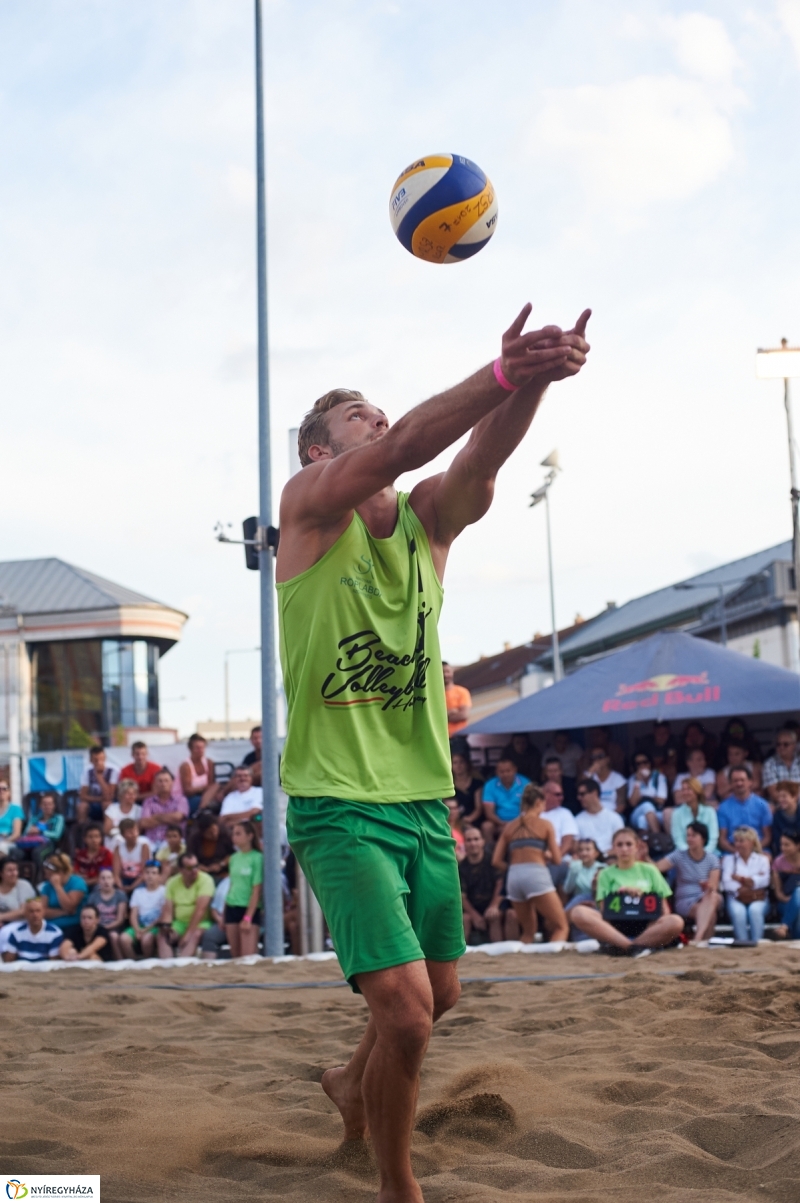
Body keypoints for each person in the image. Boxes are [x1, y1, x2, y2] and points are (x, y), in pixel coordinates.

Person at [277, 300, 590, 1199]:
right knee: (410, 1016)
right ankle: (398, 1186)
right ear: (319, 451)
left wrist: (527, 381)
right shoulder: (308, 511)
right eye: (355, 414)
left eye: (376, 407)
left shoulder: (426, 526)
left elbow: (479, 458)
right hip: (338, 805)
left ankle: (348, 1083)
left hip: (419, 802)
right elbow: (409, 440)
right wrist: (497, 373)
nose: (375, 417)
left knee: (439, 994)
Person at [569, 828, 683, 955]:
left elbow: (664, 908)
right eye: (620, 844)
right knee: (578, 912)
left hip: (647, 925)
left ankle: (630, 946)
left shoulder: (650, 870)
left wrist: (642, 897)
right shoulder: (605, 874)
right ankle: (630, 947)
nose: (624, 849)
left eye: (628, 844)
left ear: (637, 847)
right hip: (615, 926)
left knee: (676, 921)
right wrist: (621, 893)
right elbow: (603, 910)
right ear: (613, 848)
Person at [491, 784, 569, 944]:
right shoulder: (545, 824)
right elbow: (557, 860)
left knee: (528, 932)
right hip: (536, 873)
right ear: (539, 802)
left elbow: (496, 861)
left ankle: (522, 967)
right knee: (561, 926)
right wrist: (544, 854)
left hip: (513, 877)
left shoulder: (510, 826)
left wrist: (515, 868)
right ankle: (554, 965)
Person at [656, 821, 721, 944]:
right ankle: (704, 943)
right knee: (710, 914)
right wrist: (644, 857)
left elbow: (714, 886)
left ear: (703, 839)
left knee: (712, 897)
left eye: (693, 835)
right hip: (685, 901)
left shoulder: (713, 860)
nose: (689, 839)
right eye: (688, 835)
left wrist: (706, 886)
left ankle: (697, 940)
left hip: (706, 896)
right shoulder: (679, 855)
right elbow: (656, 868)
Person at [157, 852, 214, 958]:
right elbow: (168, 910)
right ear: (180, 869)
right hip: (179, 923)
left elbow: (200, 910)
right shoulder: (172, 882)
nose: (194, 870)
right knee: (163, 936)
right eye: (190, 868)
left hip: (201, 923)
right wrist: (166, 928)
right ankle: (167, 967)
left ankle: (182, 965)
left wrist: (188, 934)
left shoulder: (206, 880)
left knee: (194, 935)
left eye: (196, 866)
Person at [721, 826, 770, 943]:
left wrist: (740, 879)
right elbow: (726, 882)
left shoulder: (762, 859)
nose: (737, 844)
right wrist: (749, 883)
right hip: (735, 897)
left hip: (758, 897)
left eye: (741, 841)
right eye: (736, 841)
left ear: (751, 842)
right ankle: (743, 944)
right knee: (739, 912)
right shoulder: (728, 859)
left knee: (755, 910)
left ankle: (757, 943)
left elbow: (765, 880)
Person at [458, 827, 504, 944]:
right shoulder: (460, 867)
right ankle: (465, 954)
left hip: (491, 904)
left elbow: (501, 884)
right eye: (469, 840)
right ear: (465, 843)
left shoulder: (493, 861)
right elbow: (461, 896)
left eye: (476, 839)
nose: (473, 843)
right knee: (465, 918)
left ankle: (499, 955)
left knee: (496, 915)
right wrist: (475, 916)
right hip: (472, 908)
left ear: (483, 841)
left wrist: (494, 906)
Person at [225, 821, 263, 958]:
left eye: (238, 833)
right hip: (232, 906)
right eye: (234, 833)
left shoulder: (257, 858)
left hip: (248, 908)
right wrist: (225, 910)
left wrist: (248, 916)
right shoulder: (234, 858)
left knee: (248, 958)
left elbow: (256, 889)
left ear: (250, 836)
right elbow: (232, 885)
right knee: (235, 957)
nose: (234, 837)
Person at [717, 767, 772, 855]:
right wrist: (737, 851)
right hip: (733, 850)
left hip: (758, 849)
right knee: (724, 862)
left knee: (766, 859)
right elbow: (722, 840)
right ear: (730, 783)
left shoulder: (762, 805)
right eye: (735, 781)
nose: (739, 783)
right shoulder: (723, 807)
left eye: (742, 780)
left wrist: (753, 850)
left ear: (750, 782)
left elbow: (767, 837)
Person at [119, 861, 166, 959]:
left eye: (154, 873)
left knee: (146, 940)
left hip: (155, 926)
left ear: (159, 876)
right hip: (139, 926)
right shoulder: (138, 892)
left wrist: (146, 930)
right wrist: (137, 930)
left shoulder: (164, 891)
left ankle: (147, 962)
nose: (150, 876)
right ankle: (134, 963)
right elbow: (133, 914)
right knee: (123, 939)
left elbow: (162, 915)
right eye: (147, 873)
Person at [667, 777, 720, 857]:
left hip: (709, 853)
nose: (685, 792)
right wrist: (691, 855)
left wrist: (703, 854)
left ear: (697, 791)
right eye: (683, 790)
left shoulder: (709, 811)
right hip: (684, 855)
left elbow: (713, 838)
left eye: (688, 789)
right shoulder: (677, 813)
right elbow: (678, 840)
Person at [2, 897, 64, 963]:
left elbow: (54, 962)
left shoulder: (55, 933)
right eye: (31, 911)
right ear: (25, 913)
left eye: (38, 911)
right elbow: (8, 961)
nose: (35, 915)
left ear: (43, 912)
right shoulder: (16, 933)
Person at [38, 853, 88, 934]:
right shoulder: (47, 886)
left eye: (49, 874)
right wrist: (63, 912)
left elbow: (69, 907)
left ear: (60, 873)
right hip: (50, 927)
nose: (46, 877)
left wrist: (58, 887)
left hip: (73, 927)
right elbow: (42, 912)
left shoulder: (78, 882)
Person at [482, 758, 531, 841]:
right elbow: (489, 813)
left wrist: (514, 824)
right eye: (501, 771)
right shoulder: (490, 785)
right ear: (496, 772)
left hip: (521, 821)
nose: (505, 774)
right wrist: (502, 823)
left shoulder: (526, 783)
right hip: (498, 822)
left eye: (508, 771)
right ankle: (489, 852)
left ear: (515, 770)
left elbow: (529, 808)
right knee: (486, 826)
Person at [139, 769, 189, 848]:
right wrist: (169, 819)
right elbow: (144, 823)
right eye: (160, 781)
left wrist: (155, 817)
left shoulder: (181, 799)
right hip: (152, 841)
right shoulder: (148, 801)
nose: (163, 784)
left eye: (166, 781)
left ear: (172, 783)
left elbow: (177, 817)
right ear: (155, 783)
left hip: (173, 841)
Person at [541, 780, 578, 885]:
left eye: (562, 795)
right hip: (535, 858)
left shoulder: (565, 813)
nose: (561, 798)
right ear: (545, 794)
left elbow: (568, 842)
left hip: (558, 859)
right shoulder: (531, 813)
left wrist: (554, 858)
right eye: (557, 794)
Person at [15, 792, 65, 868]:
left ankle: (39, 876)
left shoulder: (58, 818)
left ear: (54, 805)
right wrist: (30, 831)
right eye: (44, 804)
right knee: (16, 852)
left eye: (49, 804)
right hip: (31, 843)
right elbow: (25, 833)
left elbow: (57, 835)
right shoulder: (34, 819)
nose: (47, 806)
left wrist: (40, 831)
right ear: (40, 806)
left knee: (37, 853)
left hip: (49, 845)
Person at [575, 779, 623, 854]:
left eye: (582, 794)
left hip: (611, 858)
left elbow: (621, 843)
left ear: (594, 793)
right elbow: (576, 846)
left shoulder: (614, 817)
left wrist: (605, 855)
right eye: (578, 795)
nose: (579, 798)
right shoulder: (577, 820)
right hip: (588, 860)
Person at [77, 746, 118, 825]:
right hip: (93, 803)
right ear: (90, 760)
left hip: (109, 803)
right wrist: (100, 799)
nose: (99, 762)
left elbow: (109, 796)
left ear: (105, 758)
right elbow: (82, 796)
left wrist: (99, 776)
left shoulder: (113, 770)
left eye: (101, 759)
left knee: (107, 805)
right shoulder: (87, 771)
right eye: (96, 760)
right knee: (82, 807)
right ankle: (82, 832)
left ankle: (107, 832)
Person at [178, 733, 218, 816]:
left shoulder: (209, 762)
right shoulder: (186, 766)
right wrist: (204, 788)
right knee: (208, 799)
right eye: (197, 748)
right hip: (188, 798)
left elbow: (211, 784)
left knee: (217, 789)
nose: (200, 750)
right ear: (190, 749)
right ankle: (202, 809)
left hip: (205, 795)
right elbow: (187, 791)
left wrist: (202, 789)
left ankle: (201, 810)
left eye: (202, 747)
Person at [627, 753, 668, 833]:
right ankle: (658, 836)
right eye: (638, 764)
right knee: (646, 805)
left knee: (642, 820)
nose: (642, 766)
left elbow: (661, 800)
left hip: (657, 811)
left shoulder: (659, 776)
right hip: (637, 812)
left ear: (650, 763)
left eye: (645, 762)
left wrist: (644, 797)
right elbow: (633, 802)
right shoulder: (632, 779)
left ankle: (648, 843)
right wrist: (638, 781)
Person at [771, 832, 800, 940]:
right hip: (785, 902)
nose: (782, 848)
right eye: (781, 844)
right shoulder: (778, 862)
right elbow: (778, 893)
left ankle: (784, 927)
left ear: (798, 846)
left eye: (787, 845)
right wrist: (794, 900)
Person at [187, 811, 233, 880]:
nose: (214, 834)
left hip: (225, 873)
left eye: (214, 830)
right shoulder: (194, 840)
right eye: (209, 833)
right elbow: (188, 859)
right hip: (202, 875)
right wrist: (198, 866)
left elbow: (235, 854)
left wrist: (221, 864)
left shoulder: (226, 835)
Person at [111, 818, 150, 893]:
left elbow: (144, 872)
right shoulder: (118, 848)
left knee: (140, 890)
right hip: (124, 879)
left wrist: (132, 887)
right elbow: (116, 873)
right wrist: (120, 886)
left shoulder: (143, 847)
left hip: (139, 880)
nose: (134, 834)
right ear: (122, 835)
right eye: (129, 832)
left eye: (135, 831)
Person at [762, 728, 800, 805]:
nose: (781, 747)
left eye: (785, 744)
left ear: (794, 745)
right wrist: (792, 805)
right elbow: (774, 794)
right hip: (781, 808)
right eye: (778, 744)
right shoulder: (769, 764)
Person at [87, 866, 127, 935]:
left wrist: (104, 928)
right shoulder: (93, 896)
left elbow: (120, 920)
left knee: (113, 935)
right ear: (98, 880)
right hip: (97, 927)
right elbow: (89, 915)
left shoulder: (120, 895)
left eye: (109, 878)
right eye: (103, 878)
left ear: (113, 880)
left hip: (114, 927)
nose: (106, 881)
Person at [103, 779, 142, 848]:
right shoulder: (112, 808)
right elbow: (107, 830)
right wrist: (127, 829)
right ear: (121, 795)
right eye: (128, 794)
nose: (132, 796)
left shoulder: (139, 810)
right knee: (118, 839)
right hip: (113, 839)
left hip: (132, 839)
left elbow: (138, 829)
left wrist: (118, 828)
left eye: (134, 794)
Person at [200, 874, 231, 961]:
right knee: (210, 936)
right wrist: (219, 919)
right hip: (221, 921)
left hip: (239, 920)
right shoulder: (224, 882)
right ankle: (208, 966)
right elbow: (214, 907)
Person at [588, 748, 627, 814]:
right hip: (593, 815)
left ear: (607, 759)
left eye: (600, 756)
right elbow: (581, 790)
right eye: (593, 757)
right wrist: (590, 772)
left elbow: (621, 805)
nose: (597, 760)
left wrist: (608, 818)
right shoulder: (590, 777)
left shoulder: (618, 779)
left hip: (613, 814)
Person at [450, 752, 483, 827]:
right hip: (454, 820)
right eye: (455, 763)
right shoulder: (448, 785)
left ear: (467, 764)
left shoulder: (477, 783)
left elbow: (479, 808)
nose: (458, 765)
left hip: (473, 819)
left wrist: (468, 819)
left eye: (461, 762)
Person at [0, 858, 36, 926]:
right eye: (10, 870)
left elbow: (24, 911)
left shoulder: (23, 885)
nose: (14, 873)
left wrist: (1, 917)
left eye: (15, 870)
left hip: (21, 925)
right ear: (1, 873)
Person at [771, 782, 800, 858]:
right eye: (779, 796)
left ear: (795, 797)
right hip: (784, 854)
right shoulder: (777, 817)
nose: (781, 800)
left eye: (784, 796)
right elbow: (778, 841)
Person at [443, 663, 471, 737]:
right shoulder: (435, 695)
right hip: (442, 738)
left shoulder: (462, 692)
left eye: (447, 671)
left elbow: (464, 715)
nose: (445, 675)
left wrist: (444, 716)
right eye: (442, 672)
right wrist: (452, 712)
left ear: (452, 672)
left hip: (460, 736)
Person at [0, 781, 24, 856]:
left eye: (4, 789)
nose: (1, 791)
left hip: (8, 841)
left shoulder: (16, 809)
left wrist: (5, 841)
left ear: (9, 792)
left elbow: (17, 833)